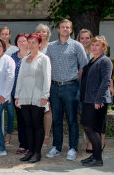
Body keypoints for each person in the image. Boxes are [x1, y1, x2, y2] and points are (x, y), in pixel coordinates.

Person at [45, 19, 88, 161]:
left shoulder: (77, 46)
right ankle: (56, 147)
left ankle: (72, 148)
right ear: (58, 29)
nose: (64, 29)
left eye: (67, 27)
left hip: (70, 87)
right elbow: (46, 66)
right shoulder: (51, 47)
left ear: (71, 30)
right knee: (56, 119)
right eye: (62, 27)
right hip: (55, 87)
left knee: (72, 119)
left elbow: (84, 66)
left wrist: (77, 81)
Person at [15, 33, 51, 163]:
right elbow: (19, 78)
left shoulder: (44, 59)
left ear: (39, 44)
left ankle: (37, 152)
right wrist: (17, 96)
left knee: (37, 125)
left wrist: (45, 96)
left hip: (38, 97)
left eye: (34, 42)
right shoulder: (25, 59)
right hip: (24, 97)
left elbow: (47, 78)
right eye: (29, 42)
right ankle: (30, 151)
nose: (31, 45)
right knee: (27, 125)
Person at [77, 29, 114, 154]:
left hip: (96, 100)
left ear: (103, 47)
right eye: (93, 44)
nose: (93, 46)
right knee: (88, 127)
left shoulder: (105, 61)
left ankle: (97, 157)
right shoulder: (93, 60)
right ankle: (95, 156)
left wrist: (99, 99)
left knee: (94, 128)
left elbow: (105, 81)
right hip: (87, 99)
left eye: (97, 44)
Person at [0, 26, 18, 144]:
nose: (4, 36)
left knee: (11, 113)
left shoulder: (15, 49)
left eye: (6, 34)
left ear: (10, 36)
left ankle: (8, 134)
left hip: (12, 85)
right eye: (2, 34)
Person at [10, 33, 29, 155]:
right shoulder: (13, 56)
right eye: (19, 41)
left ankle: (30, 145)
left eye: (24, 41)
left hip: (29, 93)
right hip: (15, 93)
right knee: (21, 120)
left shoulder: (32, 56)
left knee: (30, 120)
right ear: (16, 44)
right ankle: (22, 144)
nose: (21, 43)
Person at [35, 23, 52, 147]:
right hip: (35, 84)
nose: (41, 33)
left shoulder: (51, 47)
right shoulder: (34, 46)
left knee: (47, 110)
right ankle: (38, 135)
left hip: (47, 82)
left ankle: (46, 136)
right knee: (36, 110)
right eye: (39, 31)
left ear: (48, 34)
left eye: (44, 31)